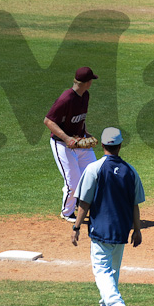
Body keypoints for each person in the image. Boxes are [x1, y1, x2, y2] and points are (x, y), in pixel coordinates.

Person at [71, 127, 145, 306]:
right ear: (120, 146)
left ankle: (116, 305)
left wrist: (76, 226)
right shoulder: (130, 171)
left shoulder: (94, 168)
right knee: (113, 269)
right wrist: (137, 230)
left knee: (102, 270)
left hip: (101, 230)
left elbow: (84, 202)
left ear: (102, 145)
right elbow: (135, 204)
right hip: (121, 230)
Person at [44, 66, 99, 223]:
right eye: (91, 81)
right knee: (73, 182)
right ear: (87, 82)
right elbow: (48, 121)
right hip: (62, 144)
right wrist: (67, 138)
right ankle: (67, 212)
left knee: (94, 175)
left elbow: (81, 118)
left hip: (80, 143)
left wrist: (85, 132)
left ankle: (82, 204)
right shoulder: (66, 99)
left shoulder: (85, 95)